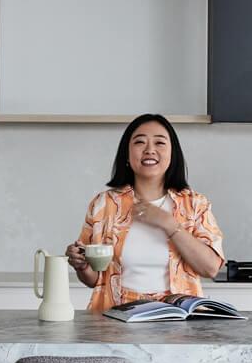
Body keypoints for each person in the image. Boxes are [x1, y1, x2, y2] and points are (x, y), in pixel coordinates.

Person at [66, 113, 225, 314]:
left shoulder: (195, 204)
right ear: (127, 153)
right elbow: (94, 280)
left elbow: (210, 268)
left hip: (177, 320)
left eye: (160, 143)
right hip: (114, 319)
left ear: (172, 153)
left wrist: (168, 223)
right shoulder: (104, 204)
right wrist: (81, 266)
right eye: (140, 142)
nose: (150, 150)